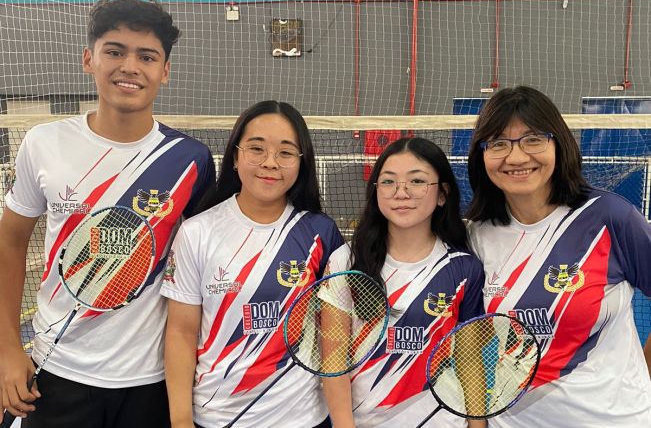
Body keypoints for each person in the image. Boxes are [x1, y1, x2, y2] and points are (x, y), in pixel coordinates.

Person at [0, 0, 217, 428]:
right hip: (56, 370)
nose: (130, 67)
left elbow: (197, 271)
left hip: (152, 380)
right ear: (89, 59)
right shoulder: (43, 143)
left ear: (165, 71)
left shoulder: (191, 161)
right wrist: (7, 346)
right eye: (114, 51)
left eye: (147, 56)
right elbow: (9, 242)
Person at [466, 85, 651, 427]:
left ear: (558, 144)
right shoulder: (478, 235)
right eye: (499, 143)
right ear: (482, 154)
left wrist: (641, 380)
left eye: (533, 139)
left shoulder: (610, 218)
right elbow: (472, 340)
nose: (517, 157)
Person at [161, 100, 344, 428]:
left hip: (302, 419)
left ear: (302, 162)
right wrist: (180, 420)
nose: (270, 163)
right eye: (256, 148)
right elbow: (181, 331)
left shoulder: (322, 234)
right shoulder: (197, 232)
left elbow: (335, 330)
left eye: (286, 152)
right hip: (217, 417)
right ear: (235, 156)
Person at [322, 137, 486, 428]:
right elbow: (334, 362)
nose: (401, 193)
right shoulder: (345, 261)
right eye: (388, 182)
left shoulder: (464, 268)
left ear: (442, 194)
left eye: (417, 181)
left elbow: (470, 363)